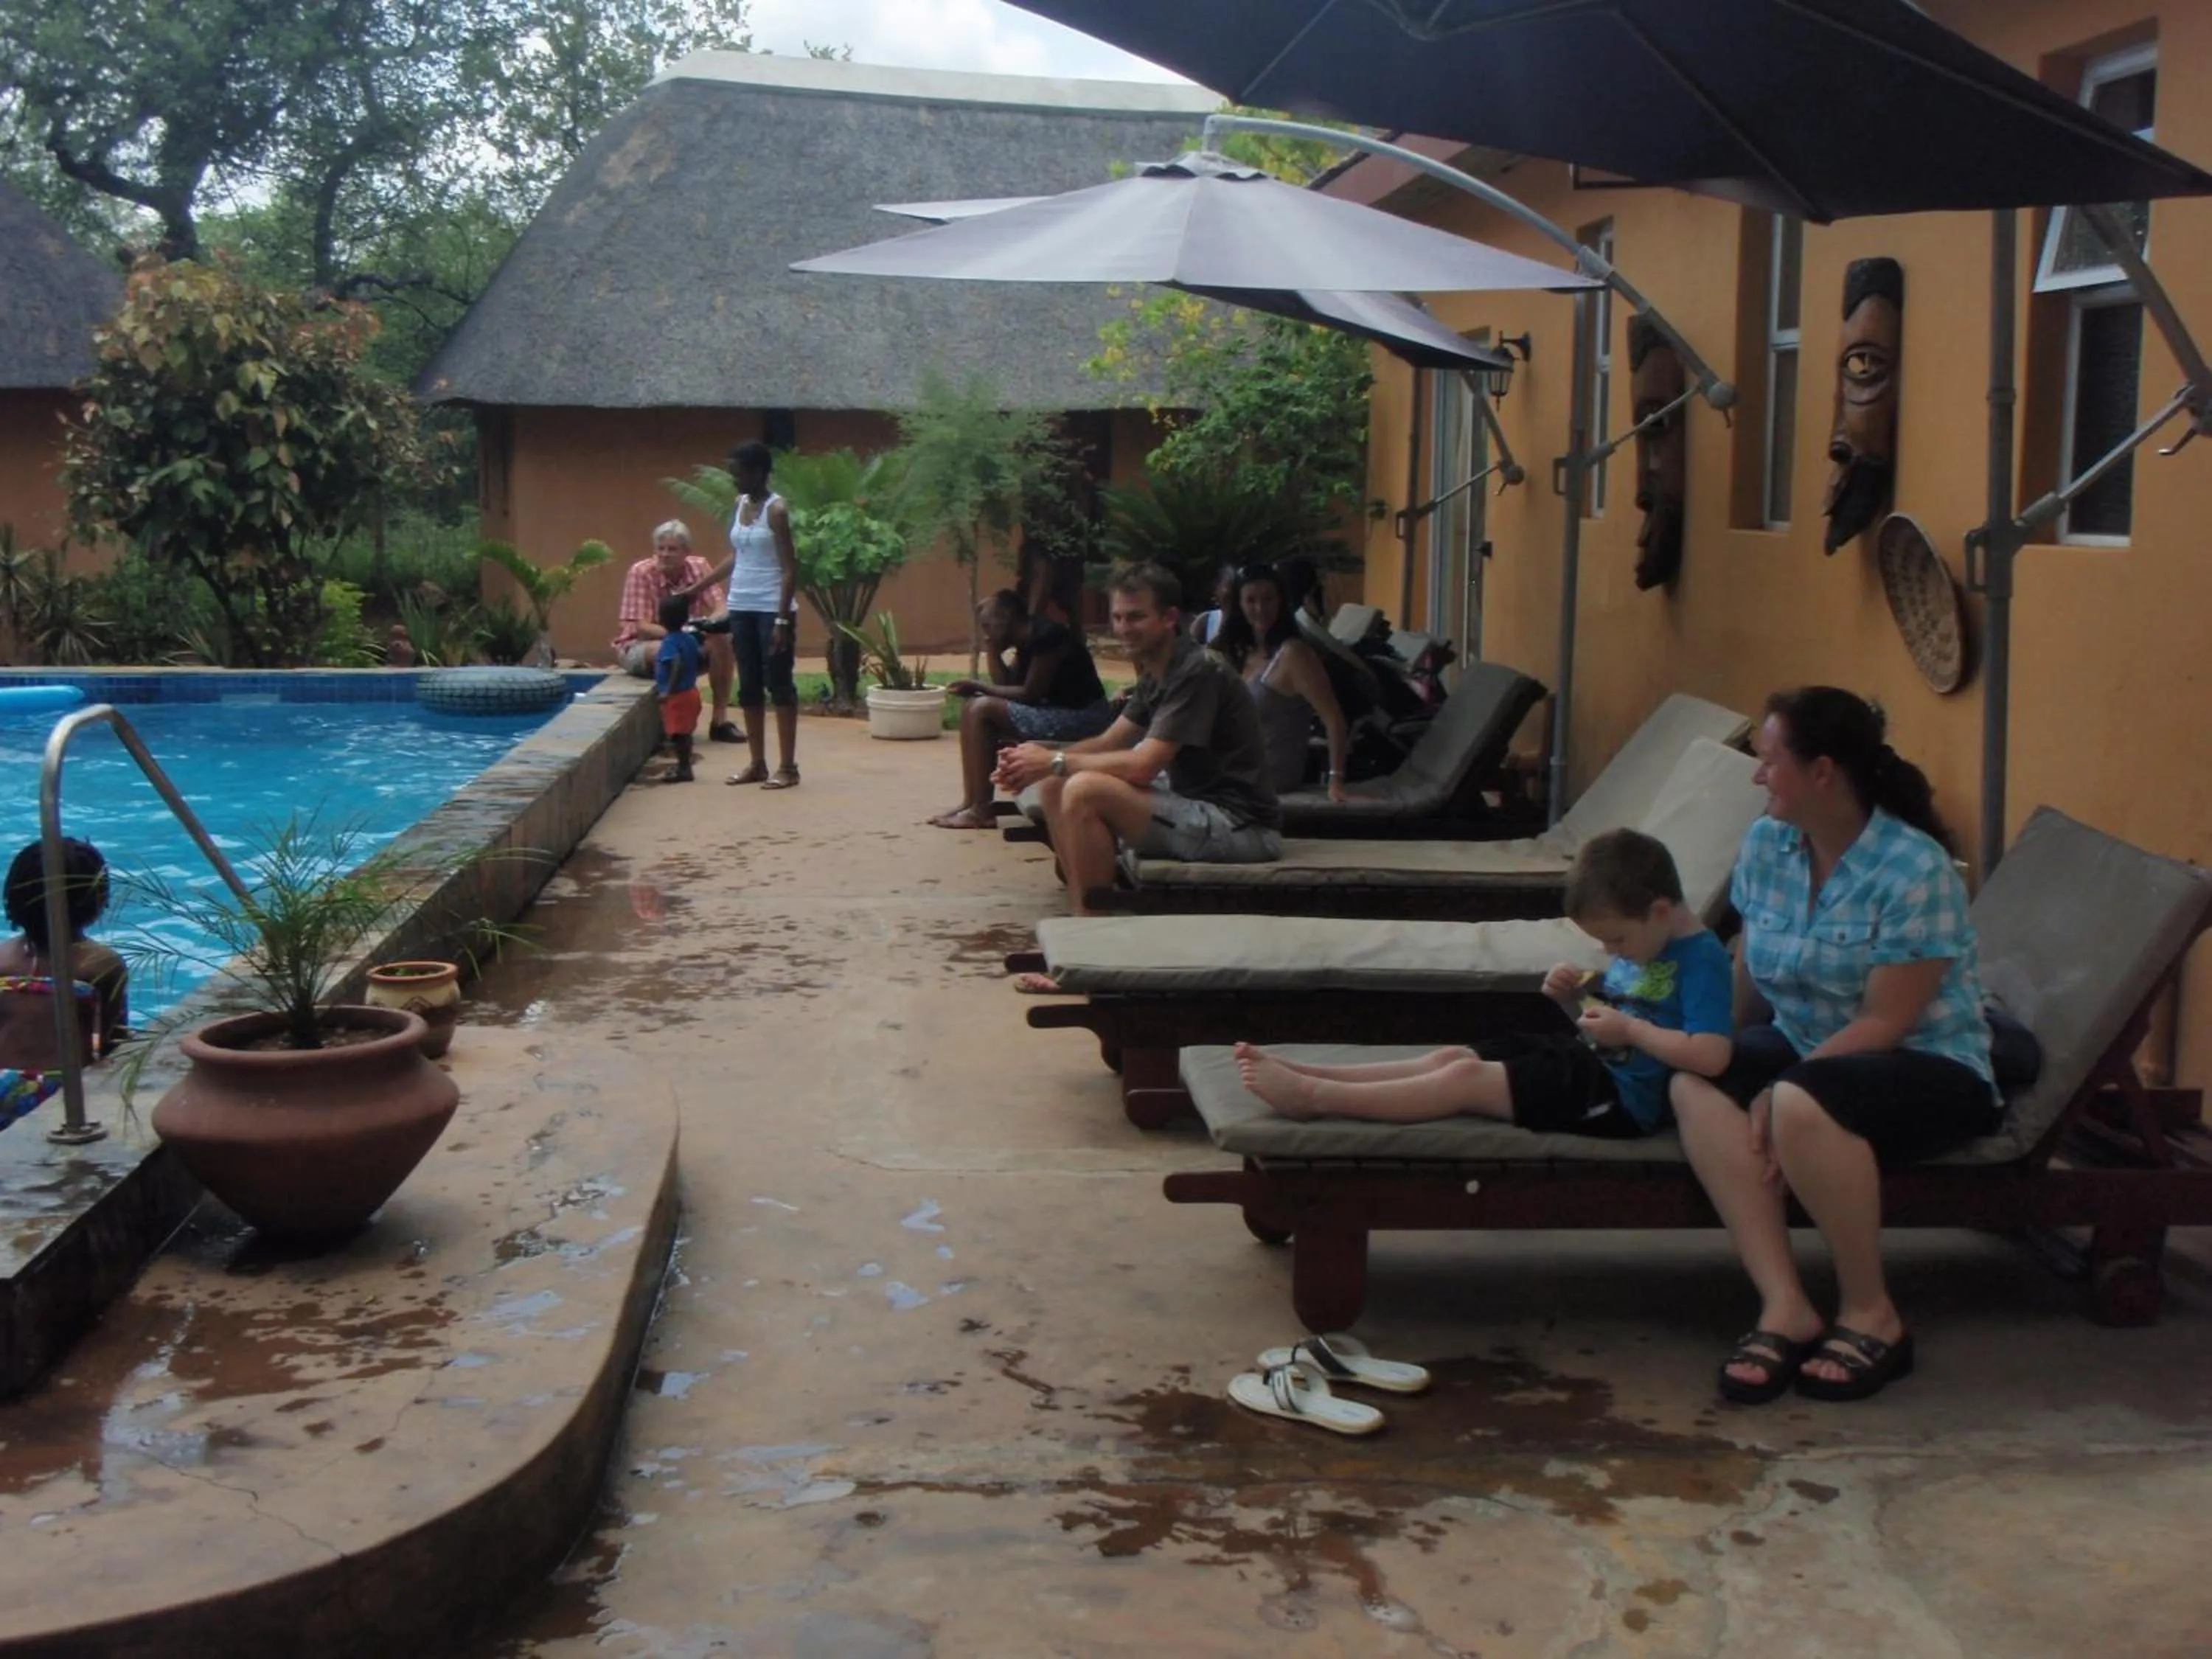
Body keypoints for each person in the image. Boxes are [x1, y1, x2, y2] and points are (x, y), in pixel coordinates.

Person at [1670, 687, 1997, 1407]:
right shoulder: (1768, 843)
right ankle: (1785, 1304)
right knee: (1694, 1083)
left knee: (1798, 1100)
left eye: (1769, 760)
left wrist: (1776, 1090)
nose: (1758, 776)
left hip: (1931, 1064)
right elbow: (1748, 963)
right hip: (1805, 1047)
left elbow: (1885, 1023)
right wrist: (1722, 1049)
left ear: (1823, 772)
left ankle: (1872, 1313)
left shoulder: (1914, 870)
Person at [1235, 828, 1732, 1135]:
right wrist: (1574, 1001)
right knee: (1454, 1058)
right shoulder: (1647, 940)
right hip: (1588, 1060)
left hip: (1620, 1099)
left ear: (1659, 911)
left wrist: (1630, 1031)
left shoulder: (1702, 959)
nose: (1609, 951)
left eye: (1616, 939)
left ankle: (1316, 1099)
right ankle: (1316, 1074)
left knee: (1463, 1082)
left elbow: (1712, 1055)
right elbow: (1618, 1021)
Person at [995, 563, 1281, 927]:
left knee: (1083, 789)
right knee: (1054, 784)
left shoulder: (1198, 670)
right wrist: (1033, 761)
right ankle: (1083, 916)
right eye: (1117, 617)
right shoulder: (1156, 671)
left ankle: (1093, 930)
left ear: (1169, 618)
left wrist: (1054, 760)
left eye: (1136, 617)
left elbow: (1144, 766)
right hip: (1194, 804)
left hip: (1241, 826)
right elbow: (1109, 741)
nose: (1123, 628)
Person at [930, 590, 1115, 830]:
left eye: (987, 625)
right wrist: (993, 650)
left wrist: (978, 685)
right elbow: (1005, 686)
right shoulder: (1026, 640)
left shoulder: (1049, 637)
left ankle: (981, 811)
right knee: (973, 706)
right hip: (1053, 711)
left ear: (1007, 616)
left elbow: (1029, 693)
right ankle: (972, 802)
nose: (986, 633)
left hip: (1084, 718)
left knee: (982, 709)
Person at [683, 442, 801, 789]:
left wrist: (782, 619)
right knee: (748, 686)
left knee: (779, 684)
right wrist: (695, 589)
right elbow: (738, 556)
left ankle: (788, 767)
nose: (734, 480)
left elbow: (790, 569)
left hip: (772, 609)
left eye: (739, 473)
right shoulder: (740, 505)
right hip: (741, 606)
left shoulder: (777, 511)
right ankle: (757, 764)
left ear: (759, 472)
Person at [1, 838, 127, 1125]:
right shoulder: (101, 964)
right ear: (97, 902)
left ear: (13, 897)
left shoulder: (2, 960)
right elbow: (112, 1041)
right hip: (66, 1092)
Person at [1211, 563, 1350, 801]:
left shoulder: (1295, 654)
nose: (1260, 608)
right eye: (1251, 600)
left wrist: (1336, 781)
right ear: (1240, 605)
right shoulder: (1242, 653)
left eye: (1268, 599)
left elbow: (1333, 718)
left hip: (1270, 775)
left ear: (1280, 602)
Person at [612, 521, 737, 742]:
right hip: (640, 646)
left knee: (723, 640)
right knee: (671, 650)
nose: (664, 554)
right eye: (660, 548)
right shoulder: (641, 572)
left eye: (672, 549)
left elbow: (720, 606)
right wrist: (683, 637)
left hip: (688, 639)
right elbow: (641, 627)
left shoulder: (699, 567)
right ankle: (675, 729)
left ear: (686, 552)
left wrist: (709, 625)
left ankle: (720, 721)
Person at [653, 595, 704, 783]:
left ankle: (684, 768)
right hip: (691, 691)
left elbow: (676, 663)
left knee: (678, 735)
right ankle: (684, 765)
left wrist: (668, 691)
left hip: (678, 696)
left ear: (662, 619)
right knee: (685, 732)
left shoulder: (670, 642)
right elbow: (702, 657)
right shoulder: (689, 639)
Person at [1189, 563, 1237, 646]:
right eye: (1227, 584)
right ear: (1216, 588)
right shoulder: (1205, 621)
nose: (1230, 590)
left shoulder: (1251, 621)